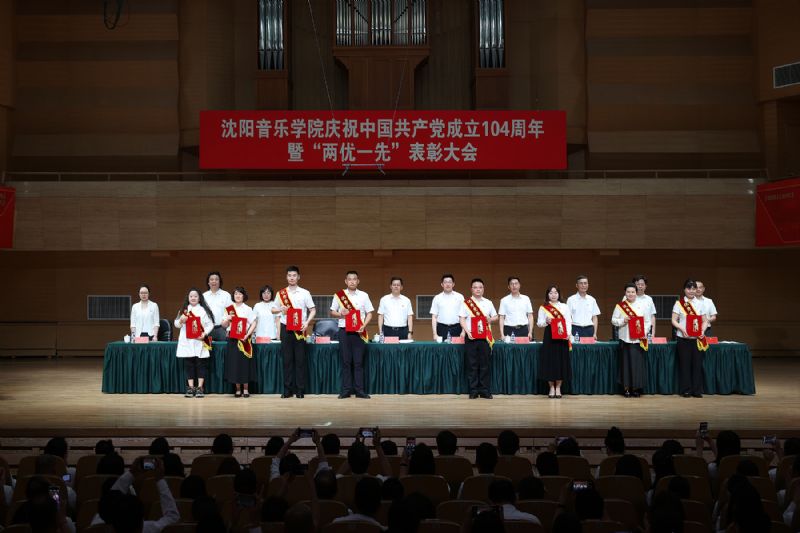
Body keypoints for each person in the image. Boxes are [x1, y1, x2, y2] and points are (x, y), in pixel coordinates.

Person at [273, 266, 317, 399]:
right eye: (289, 275)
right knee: (287, 361)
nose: (292, 278)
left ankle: (300, 390)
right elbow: (273, 310)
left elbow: (313, 310)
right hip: (286, 328)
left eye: (294, 275)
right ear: (286, 277)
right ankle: (287, 390)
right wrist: (281, 309)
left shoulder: (305, 293)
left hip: (300, 329)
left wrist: (307, 322)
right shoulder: (281, 293)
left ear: (298, 277)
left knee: (300, 360)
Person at [330, 271, 374, 399]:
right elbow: (332, 312)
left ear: (358, 281)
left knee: (358, 362)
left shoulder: (364, 295)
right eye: (349, 279)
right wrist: (341, 314)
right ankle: (346, 390)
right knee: (346, 362)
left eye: (354, 279)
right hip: (344, 331)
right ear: (346, 281)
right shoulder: (339, 295)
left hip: (359, 332)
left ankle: (360, 391)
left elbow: (370, 313)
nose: (352, 281)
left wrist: (364, 325)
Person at [459, 278, 498, 399]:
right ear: (471, 289)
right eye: (475, 287)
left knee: (485, 365)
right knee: (472, 365)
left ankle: (485, 390)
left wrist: (490, 319)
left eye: (480, 287)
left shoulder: (488, 302)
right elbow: (462, 319)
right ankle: (473, 390)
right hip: (471, 337)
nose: (478, 289)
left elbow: (496, 316)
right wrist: (467, 331)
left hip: (485, 338)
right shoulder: (466, 303)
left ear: (483, 289)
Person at [611, 283, 652, 397]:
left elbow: (648, 321)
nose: (630, 294)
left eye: (633, 292)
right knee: (625, 365)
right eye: (628, 292)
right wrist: (622, 321)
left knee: (637, 365)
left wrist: (644, 332)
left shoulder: (643, 305)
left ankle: (636, 388)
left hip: (638, 340)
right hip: (625, 339)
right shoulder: (620, 306)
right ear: (625, 293)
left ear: (636, 293)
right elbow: (613, 320)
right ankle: (626, 388)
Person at [671, 279, 709, 398]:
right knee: (685, 365)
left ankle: (697, 390)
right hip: (683, 339)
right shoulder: (679, 303)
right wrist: (682, 329)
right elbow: (673, 320)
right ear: (684, 290)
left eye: (693, 289)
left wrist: (702, 331)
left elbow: (705, 321)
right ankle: (686, 390)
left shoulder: (700, 303)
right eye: (689, 288)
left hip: (697, 339)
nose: (691, 291)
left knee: (697, 365)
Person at [174, 288, 214, 398]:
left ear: (199, 298)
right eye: (191, 296)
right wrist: (181, 320)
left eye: (195, 296)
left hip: (200, 340)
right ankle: (190, 388)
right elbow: (176, 324)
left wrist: (205, 333)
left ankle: (200, 387)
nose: (193, 298)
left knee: (201, 364)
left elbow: (211, 324)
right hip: (187, 341)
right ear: (188, 298)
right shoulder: (184, 310)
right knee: (189, 364)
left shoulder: (204, 310)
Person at [537, 285, 572, 398]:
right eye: (551, 293)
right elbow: (539, 323)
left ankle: (558, 388)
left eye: (555, 292)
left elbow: (568, 321)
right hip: (549, 336)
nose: (553, 295)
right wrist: (546, 321)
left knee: (561, 361)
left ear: (559, 294)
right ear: (547, 294)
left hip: (562, 335)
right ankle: (551, 387)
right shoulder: (544, 307)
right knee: (550, 361)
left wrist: (568, 334)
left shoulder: (564, 306)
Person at [222, 287, 256, 398]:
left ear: (243, 296)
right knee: (234, 364)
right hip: (232, 339)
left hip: (244, 339)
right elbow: (224, 325)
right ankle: (237, 389)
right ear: (233, 296)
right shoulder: (229, 309)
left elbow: (254, 323)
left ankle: (245, 389)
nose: (238, 296)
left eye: (240, 294)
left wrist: (247, 335)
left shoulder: (248, 309)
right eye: (236, 293)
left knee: (245, 364)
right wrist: (227, 319)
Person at [498, 276, 534, 341]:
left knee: (523, 348)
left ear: (519, 285)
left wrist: (530, 332)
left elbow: (530, 316)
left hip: (523, 330)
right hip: (509, 330)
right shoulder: (504, 300)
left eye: (516, 283)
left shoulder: (526, 299)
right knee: (509, 348)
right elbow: (501, 318)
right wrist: (502, 334)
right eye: (511, 284)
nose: (514, 286)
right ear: (508, 287)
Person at [429, 273, 464, 341]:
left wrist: (463, 331)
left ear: (453, 284)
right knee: (441, 347)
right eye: (445, 282)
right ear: (442, 284)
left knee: (457, 347)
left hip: (457, 328)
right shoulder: (437, 298)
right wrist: (434, 334)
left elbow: (464, 315)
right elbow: (434, 317)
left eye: (450, 282)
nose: (447, 284)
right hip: (441, 329)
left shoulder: (460, 297)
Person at [566, 274, 600, 340]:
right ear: (577, 285)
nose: (583, 285)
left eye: (585, 283)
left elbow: (595, 317)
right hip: (575, 329)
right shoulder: (571, 299)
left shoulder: (592, 300)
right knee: (575, 347)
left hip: (589, 330)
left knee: (589, 347)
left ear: (588, 285)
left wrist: (595, 333)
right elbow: (567, 317)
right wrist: (569, 333)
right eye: (581, 283)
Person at [203, 271, 232, 341]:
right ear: (208, 282)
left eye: (216, 279)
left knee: (225, 346)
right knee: (206, 348)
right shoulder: (203, 296)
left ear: (220, 282)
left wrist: (226, 321)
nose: (214, 281)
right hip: (207, 328)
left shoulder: (226, 295)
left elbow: (231, 312)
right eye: (211, 279)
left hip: (222, 328)